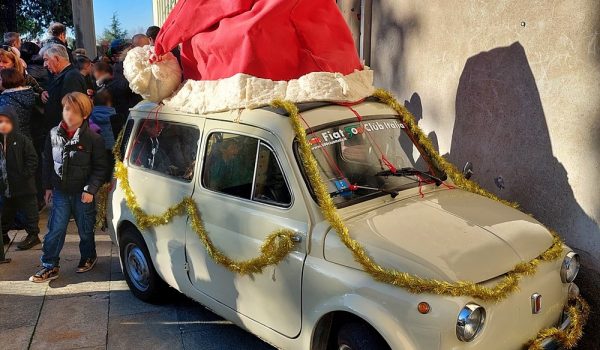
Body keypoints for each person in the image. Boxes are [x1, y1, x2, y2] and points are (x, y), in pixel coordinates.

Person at [30, 92, 107, 282]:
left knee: (85, 228)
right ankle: (49, 264)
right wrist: (47, 187)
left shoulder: (93, 138)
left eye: (75, 111)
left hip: (83, 193)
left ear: (85, 115)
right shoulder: (53, 133)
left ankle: (89, 256)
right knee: (55, 228)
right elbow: (48, 161)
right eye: (66, 109)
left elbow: (100, 168)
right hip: (61, 192)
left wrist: (90, 189)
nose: (69, 115)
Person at [0, 105, 41, 250]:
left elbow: (32, 159)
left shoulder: (21, 140)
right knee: (5, 212)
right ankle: (3, 234)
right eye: (0, 121)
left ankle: (33, 235)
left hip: (24, 185)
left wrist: (24, 175)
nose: (3, 125)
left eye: (7, 121)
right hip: (6, 186)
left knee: (29, 211)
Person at [40, 44, 86, 135]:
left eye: (46, 60)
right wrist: (44, 93)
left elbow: (73, 111)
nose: (44, 65)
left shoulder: (72, 77)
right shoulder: (64, 75)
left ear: (56, 59)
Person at [93, 61, 138, 136]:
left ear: (103, 72)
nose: (97, 80)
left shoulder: (117, 80)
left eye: (98, 77)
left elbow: (123, 88)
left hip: (124, 114)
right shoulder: (107, 83)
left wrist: (106, 82)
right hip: (118, 115)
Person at [0, 68, 36, 139]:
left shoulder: (6, 100)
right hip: (25, 136)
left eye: (0, 79)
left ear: (8, 80)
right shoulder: (25, 94)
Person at [89, 89, 116, 180]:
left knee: (96, 167)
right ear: (109, 103)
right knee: (108, 168)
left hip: (96, 147)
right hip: (111, 147)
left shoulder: (91, 115)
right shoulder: (114, 114)